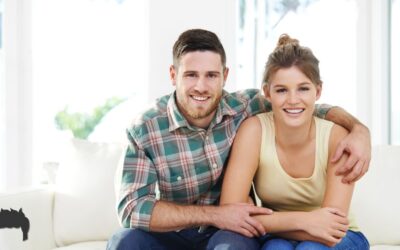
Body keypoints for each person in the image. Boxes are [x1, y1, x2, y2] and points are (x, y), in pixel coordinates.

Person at [107, 29, 371, 250]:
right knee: (124, 241)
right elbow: (132, 209)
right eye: (191, 75)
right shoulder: (145, 128)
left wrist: (359, 129)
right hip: (178, 230)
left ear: (225, 76)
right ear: (173, 75)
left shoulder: (243, 107)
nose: (201, 86)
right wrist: (216, 214)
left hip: (229, 231)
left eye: (211, 75)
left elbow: (301, 106)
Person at [220, 34, 369, 249]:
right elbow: (231, 212)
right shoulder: (254, 131)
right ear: (267, 93)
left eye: (303, 88)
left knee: (309, 248)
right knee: (276, 248)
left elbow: (331, 229)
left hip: (342, 237)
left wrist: (269, 222)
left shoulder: (337, 137)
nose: (292, 100)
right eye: (281, 90)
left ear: (318, 91)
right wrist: (305, 220)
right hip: (279, 235)